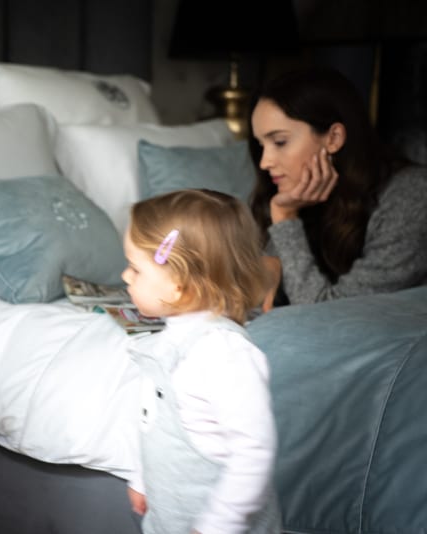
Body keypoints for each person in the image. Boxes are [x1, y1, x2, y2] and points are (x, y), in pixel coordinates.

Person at [123, 189, 279, 534]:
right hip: (169, 519)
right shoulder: (165, 344)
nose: (125, 277)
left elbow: (253, 452)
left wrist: (216, 526)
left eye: (135, 269)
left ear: (178, 284)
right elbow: (151, 422)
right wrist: (141, 477)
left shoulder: (224, 354)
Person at [248, 66, 427, 309]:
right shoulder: (292, 195)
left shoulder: (411, 195)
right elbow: (259, 303)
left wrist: (285, 219)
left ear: (333, 138)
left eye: (280, 142)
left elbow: (327, 314)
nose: (265, 162)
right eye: (261, 145)